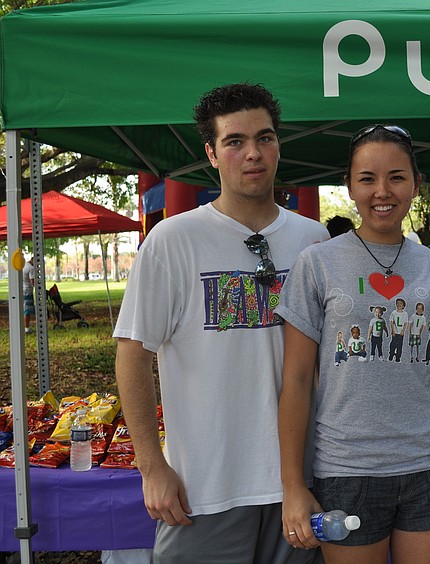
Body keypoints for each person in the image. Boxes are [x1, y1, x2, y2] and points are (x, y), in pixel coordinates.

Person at [113, 83, 328, 564]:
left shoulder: (312, 239)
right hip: (205, 489)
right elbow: (132, 355)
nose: (252, 153)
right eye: (235, 141)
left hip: (295, 483)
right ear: (211, 153)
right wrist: (152, 466)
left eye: (265, 138)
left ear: (278, 145)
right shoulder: (173, 240)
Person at [277, 124, 430, 564]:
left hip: (429, 464)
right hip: (347, 470)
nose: (382, 191)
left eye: (397, 177)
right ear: (348, 185)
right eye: (367, 178)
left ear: (416, 185)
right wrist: (293, 485)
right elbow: (297, 379)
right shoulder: (317, 264)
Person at [22, 256, 35, 334]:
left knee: (23, 309)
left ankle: (23, 326)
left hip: (21, 290)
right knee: (28, 310)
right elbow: (33, 283)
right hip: (28, 291)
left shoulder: (24, 265)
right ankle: (27, 328)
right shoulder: (31, 268)